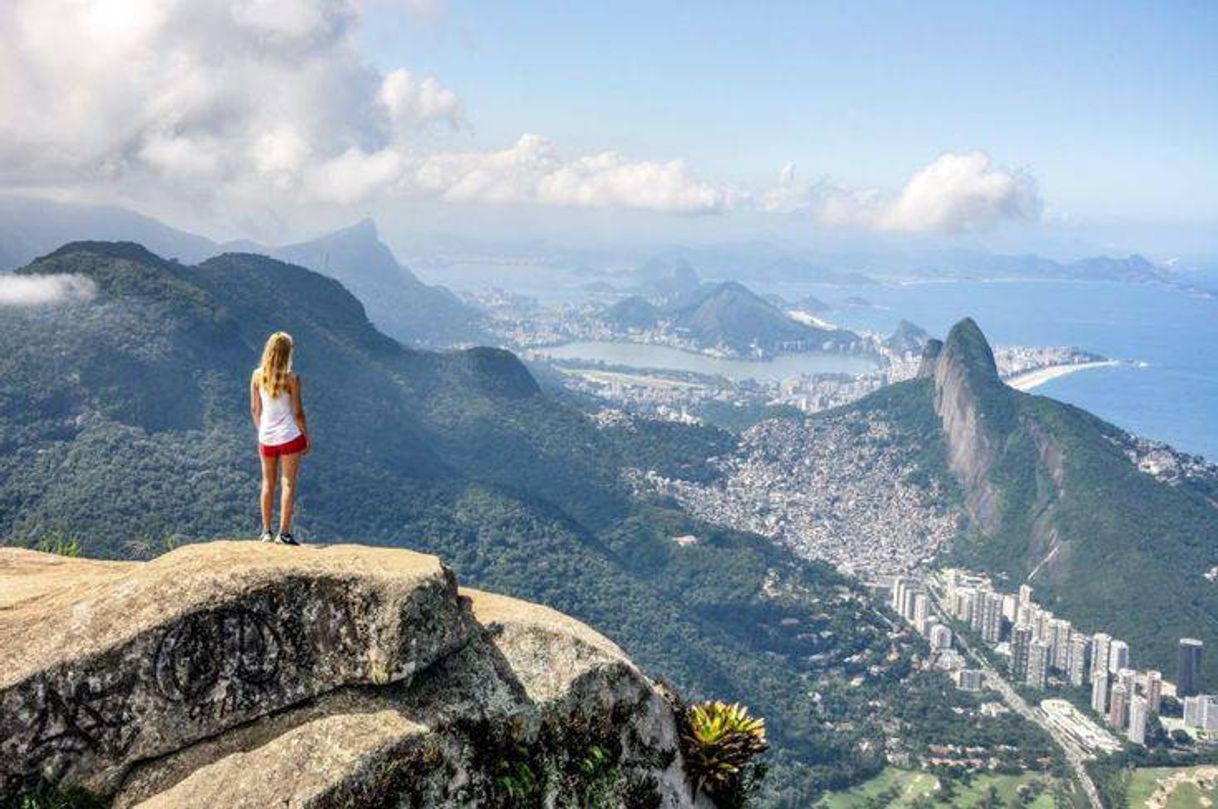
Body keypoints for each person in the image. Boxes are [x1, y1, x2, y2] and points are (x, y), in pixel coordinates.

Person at [250, 331, 310, 545]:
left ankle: (265, 531)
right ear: (287, 353)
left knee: (268, 483)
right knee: (288, 484)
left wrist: (261, 433)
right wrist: (306, 436)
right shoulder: (291, 378)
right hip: (289, 437)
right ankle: (283, 533)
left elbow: (255, 409)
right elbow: (298, 412)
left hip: (266, 437)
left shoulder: (257, 375)